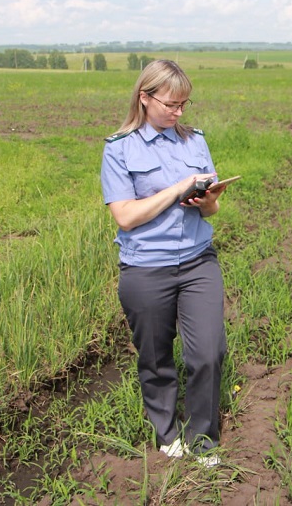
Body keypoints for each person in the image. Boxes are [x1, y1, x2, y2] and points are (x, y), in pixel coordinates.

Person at [100, 60, 228, 467]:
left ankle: (203, 439)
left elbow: (212, 210)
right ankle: (167, 433)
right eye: (172, 104)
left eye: (184, 104)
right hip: (145, 268)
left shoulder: (195, 142)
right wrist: (176, 190)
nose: (179, 112)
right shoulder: (119, 149)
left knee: (208, 351)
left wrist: (208, 200)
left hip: (197, 261)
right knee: (155, 356)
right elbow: (125, 216)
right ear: (145, 97)